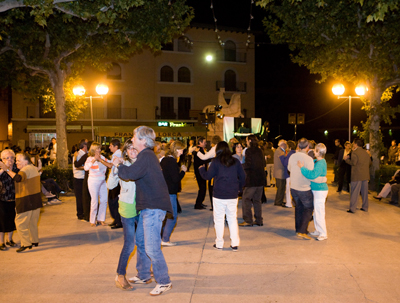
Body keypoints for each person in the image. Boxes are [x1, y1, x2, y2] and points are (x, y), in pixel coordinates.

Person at [114, 126, 173, 296]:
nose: (132, 139)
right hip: (149, 208)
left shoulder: (146, 155)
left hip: (153, 208)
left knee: (152, 248)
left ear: (141, 139)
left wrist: (118, 165)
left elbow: (130, 173)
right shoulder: (146, 156)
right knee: (141, 242)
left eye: (134, 136)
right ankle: (144, 275)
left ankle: (164, 281)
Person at [200, 141, 245, 251]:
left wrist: (201, 169)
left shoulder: (215, 162)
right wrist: (239, 188)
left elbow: (207, 177)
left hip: (219, 195)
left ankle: (219, 243)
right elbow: (243, 176)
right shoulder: (235, 161)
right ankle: (234, 243)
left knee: (219, 220)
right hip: (232, 194)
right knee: (232, 219)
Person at [107, 140, 139, 290]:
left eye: (135, 148)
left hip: (142, 205)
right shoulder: (122, 165)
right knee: (129, 244)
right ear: (125, 151)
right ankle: (120, 274)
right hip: (127, 206)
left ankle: (143, 272)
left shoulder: (142, 163)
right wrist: (114, 167)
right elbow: (110, 185)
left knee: (145, 241)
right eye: (129, 148)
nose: (133, 150)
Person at [0, 153, 42, 252]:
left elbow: (18, 178)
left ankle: (26, 244)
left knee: (20, 223)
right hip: (35, 200)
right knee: (32, 222)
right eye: (16, 160)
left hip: (26, 200)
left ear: (26, 161)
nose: (16, 162)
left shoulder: (25, 169)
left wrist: (6, 169)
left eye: (18, 160)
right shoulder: (32, 168)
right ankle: (34, 241)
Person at [298, 143, 328, 241]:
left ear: (319, 152)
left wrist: (302, 168)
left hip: (320, 190)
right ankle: (318, 230)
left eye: (315, 150)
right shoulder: (318, 161)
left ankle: (323, 233)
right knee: (316, 212)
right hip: (317, 189)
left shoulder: (321, 163)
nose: (313, 151)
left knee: (319, 212)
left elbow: (312, 175)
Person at [160, 141, 187, 246]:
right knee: (172, 217)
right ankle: (165, 239)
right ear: (176, 150)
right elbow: (176, 179)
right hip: (170, 193)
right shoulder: (171, 162)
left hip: (163, 191)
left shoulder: (164, 160)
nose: (182, 152)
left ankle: (161, 237)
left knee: (164, 216)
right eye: (181, 150)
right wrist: (183, 171)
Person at [287, 138, 314, 240]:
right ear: (307, 147)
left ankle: (298, 229)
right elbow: (310, 173)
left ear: (298, 146)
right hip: (304, 188)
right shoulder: (309, 159)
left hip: (293, 187)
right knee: (308, 208)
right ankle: (302, 231)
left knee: (298, 207)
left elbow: (289, 168)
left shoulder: (292, 156)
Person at [239, 135, 266, 227]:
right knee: (257, 200)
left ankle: (248, 220)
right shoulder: (260, 150)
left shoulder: (249, 151)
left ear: (250, 140)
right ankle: (259, 220)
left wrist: (240, 166)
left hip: (252, 180)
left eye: (246, 140)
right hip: (260, 179)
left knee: (246, 199)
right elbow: (263, 163)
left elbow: (248, 164)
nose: (246, 142)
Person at [84, 142, 112, 227]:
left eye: (100, 148)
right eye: (97, 148)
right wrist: (94, 160)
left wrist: (101, 160)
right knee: (94, 201)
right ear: (93, 150)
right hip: (93, 181)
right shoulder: (89, 158)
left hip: (102, 181)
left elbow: (110, 162)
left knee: (104, 200)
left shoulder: (102, 157)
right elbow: (86, 168)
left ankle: (101, 219)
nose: (99, 150)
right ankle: (92, 220)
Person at [345, 138, 371, 213]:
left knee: (354, 192)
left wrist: (346, 160)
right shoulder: (366, 152)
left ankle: (352, 208)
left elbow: (353, 163)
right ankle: (365, 207)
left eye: (353, 142)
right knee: (364, 193)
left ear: (356, 144)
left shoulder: (355, 152)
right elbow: (369, 163)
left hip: (357, 175)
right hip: (365, 175)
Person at [0, 150, 18, 251]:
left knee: (11, 219)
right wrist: (4, 168)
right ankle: (1, 242)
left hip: (13, 197)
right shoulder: (1, 169)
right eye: (7, 158)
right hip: (2, 198)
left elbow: (19, 178)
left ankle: (9, 239)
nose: (10, 160)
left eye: (11, 158)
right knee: (2, 220)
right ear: (2, 160)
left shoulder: (16, 168)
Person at [108, 139, 122, 229]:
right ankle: (116, 220)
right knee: (112, 202)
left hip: (116, 182)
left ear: (115, 146)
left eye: (111, 145)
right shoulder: (115, 155)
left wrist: (100, 160)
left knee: (115, 202)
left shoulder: (118, 155)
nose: (109, 147)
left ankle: (118, 221)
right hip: (113, 182)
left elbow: (111, 166)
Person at [193, 137, 211, 210]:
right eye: (204, 142)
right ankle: (197, 204)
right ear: (200, 142)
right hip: (199, 172)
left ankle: (200, 203)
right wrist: (210, 159)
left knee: (203, 188)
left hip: (201, 172)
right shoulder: (198, 150)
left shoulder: (201, 150)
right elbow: (201, 161)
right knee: (202, 188)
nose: (205, 143)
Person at [73, 139, 88, 220]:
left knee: (83, 197)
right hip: (79, 178)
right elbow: (77, 167)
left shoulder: (83, 154)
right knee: (80, 197)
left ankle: (83, 213)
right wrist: (87, 168)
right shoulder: (79, 155)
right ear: (84, 146)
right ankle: (80, 214)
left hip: (82, 178)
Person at [280, 140, 296, 208]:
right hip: (294, 174)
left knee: (288, 189)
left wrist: (282, 157)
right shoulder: (295, 153)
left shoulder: (290, 154)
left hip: (289, 174)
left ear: (289, 147)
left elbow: (285, 163)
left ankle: (288, 203)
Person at [274, 140, 287, 206]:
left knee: (281, 188)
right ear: (283, 145)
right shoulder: (279, 151)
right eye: (286, 144)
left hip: (280, 173)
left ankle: (280, 201)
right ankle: (278, 202)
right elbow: (282, 162)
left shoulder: (280, 151)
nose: (286, 146)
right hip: (279, 173)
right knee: (280, 188)